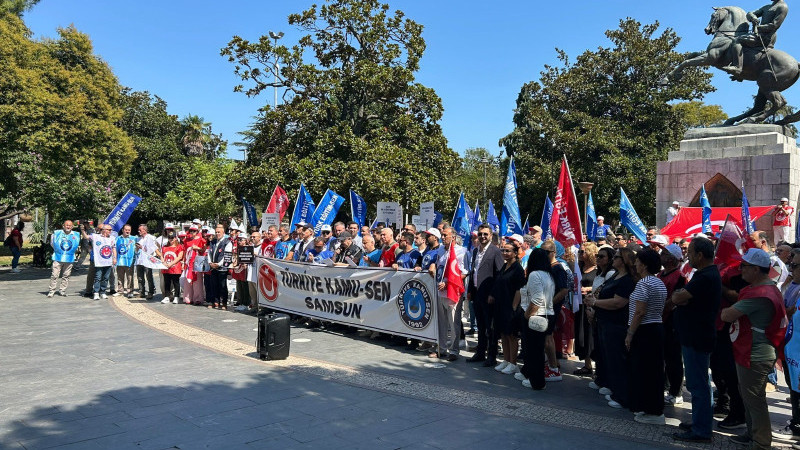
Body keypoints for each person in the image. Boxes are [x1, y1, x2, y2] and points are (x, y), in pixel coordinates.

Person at [721, 248, 787, 449]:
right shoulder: (766, 288)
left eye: (744, 266)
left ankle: (761, 442)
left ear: (756, 269)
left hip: (756, 353)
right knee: (749, 396)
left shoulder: (761, 294)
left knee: (754, 399)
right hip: (752, 350)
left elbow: (727, 315)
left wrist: (726, 308)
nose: (741, 269)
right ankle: (752, 434)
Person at [584, 247, 636, 409]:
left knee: (617, 359)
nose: (614, 259)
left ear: (624, 260)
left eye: (617, 257)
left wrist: (595, 303)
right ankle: (612, 387)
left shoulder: (627, 280)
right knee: (608, 357)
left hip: (616, 324)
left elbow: (618, 302)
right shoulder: (615, 275)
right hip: (605, 321)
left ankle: (621, 395)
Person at [625, 249, 668, 425]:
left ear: (644, 264)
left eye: (637, 261)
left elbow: (640, 312)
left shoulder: (645, 283)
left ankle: (653, 410)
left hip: (645, 330)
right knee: (653, 370)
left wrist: (630, 333)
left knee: (645, 371)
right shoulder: (659, 282)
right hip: (655, 328)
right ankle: (650, 407)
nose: (635, 264)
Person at [466, 224, 504, 365]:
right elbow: (473, 271)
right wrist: (470, 290)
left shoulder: (496, 252)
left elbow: (499, 275)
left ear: (491, 235)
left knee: (490, 327)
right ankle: (480, 352)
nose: (482, 236)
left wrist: (493, 294)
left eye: (485, 234)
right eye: (480, 234)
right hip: (477, 294)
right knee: (480, 326)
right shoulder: (476, 251)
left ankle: (492, 356)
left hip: (489, 296)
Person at [519, 248, 555, 390]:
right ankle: (533, 376)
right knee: (538, 349)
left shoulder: (535, 274)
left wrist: (527, 315)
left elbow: (537, 299)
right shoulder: (548, 275)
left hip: (536, 315)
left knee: (534, 351)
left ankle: (537, 381)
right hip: (547, 314)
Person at [431, 226, 468, 361]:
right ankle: (441, 349)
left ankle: (453, 350)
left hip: (453, 291)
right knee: (441, 323)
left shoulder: (462, 251)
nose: (442, 237)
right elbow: (438, 265)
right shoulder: (440, 249)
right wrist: (433, 266)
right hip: (440, 291)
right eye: (442, 235)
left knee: (453, 323)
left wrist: (447, 284)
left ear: (453, 237)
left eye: (445, 235)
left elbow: (464, 273)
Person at [489, 238, 526, 374]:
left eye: (508, 251)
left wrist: (514, 307)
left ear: (515, 253)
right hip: (501, 305)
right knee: (503, 334)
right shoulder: (504, 267)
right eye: (503, 250)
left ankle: (513, 363)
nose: (504, 253)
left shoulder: (518, 269)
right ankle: (506, 360)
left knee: (511, 335)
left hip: (511, 306)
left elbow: (519, 289)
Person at [725, 0, 789, 78]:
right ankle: (743, 70)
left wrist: (758, 27)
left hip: (766, 36)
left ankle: (737, 67)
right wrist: (753, 17)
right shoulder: (767, 7)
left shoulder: (782, 7)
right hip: (758, 34)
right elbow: (750, 13)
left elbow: (774, 25)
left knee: (737, 40)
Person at [658, 244, 687, 407]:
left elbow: (675, 300)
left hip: (672, 322)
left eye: (663, 253)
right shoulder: (661, 274)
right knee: (664, 357)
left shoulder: (680, 277)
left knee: (674, 358)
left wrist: (660, 308)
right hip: (660, 320)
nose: (660, 255)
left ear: (671, 259)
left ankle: (676, 392)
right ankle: (665, 385)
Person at [540, 240, 571, 382]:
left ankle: (554, 369)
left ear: (553, 253)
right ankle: (552, 365)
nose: (543, 254)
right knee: (546, 337)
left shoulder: (558, 268)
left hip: (551, 309)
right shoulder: (547, 267)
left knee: (548, 338)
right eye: (541, 252)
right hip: (545, 308)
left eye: (546, 252)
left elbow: (564, 290)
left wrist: (550, 304)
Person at [777, 248, 800, 439]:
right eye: (790, 264)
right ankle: (796, 422)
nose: (790, 269)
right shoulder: (792, 284)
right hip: (789, 346)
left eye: (794, 265)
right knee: (793, 386)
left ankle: (797, 426)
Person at [574, 242, 598, 376]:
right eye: (579, 251)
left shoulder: (598, 269)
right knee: (581, 334)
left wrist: (589, 289)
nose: (580, 254)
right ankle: (587, 365)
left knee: (591, 335)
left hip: (592, 306)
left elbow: (602, 284)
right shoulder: (579, 267)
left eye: (582, 251)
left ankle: (596, 366)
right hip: (580, 305)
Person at [48, 220, 80, 297]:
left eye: (70, 225)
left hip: (69, 258)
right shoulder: (56, 233)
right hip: (58, 257)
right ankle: (52, 291)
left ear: (72, 226)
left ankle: (62, 290)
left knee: (66, 275)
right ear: (63, 226)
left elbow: (76, 245)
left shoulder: (76, 235)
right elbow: (52, 243)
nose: (68, 227)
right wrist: (59, 251)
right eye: (67, 225)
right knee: (54, 275)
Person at [85, 224, 117, 300]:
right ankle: (96, 292)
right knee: (98, 277)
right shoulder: (96, 236)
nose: (110, 231)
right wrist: (83, 230)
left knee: (105, 277)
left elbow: (113, 248)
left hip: (108, 261)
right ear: (104, 230)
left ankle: (103, 292)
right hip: (99, 262)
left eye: (111, 230)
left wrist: (114, 258)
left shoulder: (112, 238)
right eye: (109, 230)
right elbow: (86, 237)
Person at [207, 224, 232, 309]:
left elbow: (227, 255)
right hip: (213, 267)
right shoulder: (213, 242)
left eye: (219, 232)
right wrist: (210, 262)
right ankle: (215, 301)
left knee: (222, 286)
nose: (217, 234)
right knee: (214, 285)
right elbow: (209, 253)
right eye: (216, 232)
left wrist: (218, 264)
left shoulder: (227, 242)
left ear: (223, 232)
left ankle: (224, 303)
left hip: (222, 268)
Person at [158, 235, 184, 304]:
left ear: (175, 238)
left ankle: (176, 296)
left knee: (176, 282)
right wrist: (163, 262)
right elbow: (161, 255)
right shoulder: (164, 247)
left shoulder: (179, 246)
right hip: (166, 267)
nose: (170, 239)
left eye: (172, 238)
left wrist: (171, 263)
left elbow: (179, 257)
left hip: (175, 267)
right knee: (167, 282)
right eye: (169, 238)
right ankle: (167, 296)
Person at [135, 225, 158, 300]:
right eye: (138, 230)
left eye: (140, 230)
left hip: (147, 261)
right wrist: (137, 248)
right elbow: (136, 251)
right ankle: (142, 292)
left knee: (149, 277)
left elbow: (152, 249)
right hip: (139, 260)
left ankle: (151, 292)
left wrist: (142, 248)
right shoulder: (138, 239)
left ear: (145, 230)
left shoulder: (151, 238)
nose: (139, 231)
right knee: (140, 277)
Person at [114, 224, 137, 298]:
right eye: (126, 230)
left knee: (130, 277)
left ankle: (130, 291)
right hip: (120, 261)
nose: (127, 231)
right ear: (122, 230)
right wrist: (114, 258)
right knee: (120, 277)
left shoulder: (134, 238)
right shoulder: (117, 238)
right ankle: (120, 291)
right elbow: (114, 249)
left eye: (129, 230)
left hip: (130, 262)